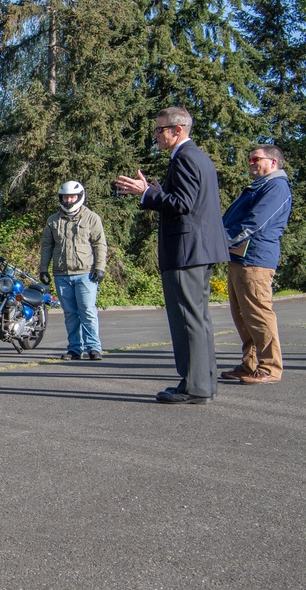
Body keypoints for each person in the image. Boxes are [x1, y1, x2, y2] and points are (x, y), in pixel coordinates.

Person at [115, 107, 229, 405]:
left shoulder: (186, 158)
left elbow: (183, 204)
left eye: (160, 129)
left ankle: (194, 386)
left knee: (186, 319)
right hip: (197, 249)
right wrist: (152, 190)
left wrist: (146, 193)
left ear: (177, 130)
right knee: (198, 318)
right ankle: (204, 382)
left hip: (186, 251)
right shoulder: (196, 157)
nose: (155, 134)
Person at [220, 145, 292, 385]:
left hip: (256, 260)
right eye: (249, 158)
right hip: (239, 258)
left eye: (255, 158)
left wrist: (220, 240)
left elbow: (255, 222)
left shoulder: (276, 187)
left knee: (259, 313)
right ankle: (250, 364)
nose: (250, 162)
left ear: (273, 162)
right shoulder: (262, 185)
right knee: (242, 315)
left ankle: (270, 367)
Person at [39, 181, 108, 361]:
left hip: (86, 273)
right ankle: (75, 348)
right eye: (65, 197)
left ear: (79, 197)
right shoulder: (53, 220)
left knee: (87, 310)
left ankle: (94, 347)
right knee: (70, 313)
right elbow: (47, 245)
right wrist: (43, 269)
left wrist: (100, 268)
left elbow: (100, 244)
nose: (69, 200)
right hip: (61, 274)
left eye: (72, 197)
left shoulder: (92, 218)